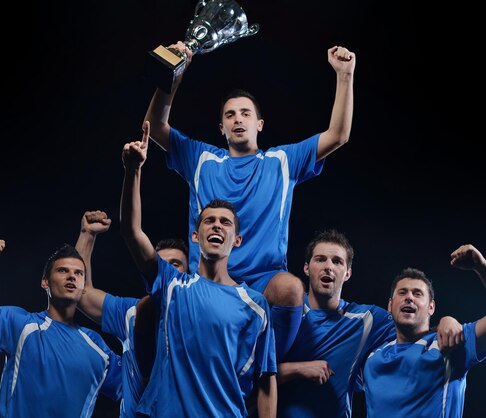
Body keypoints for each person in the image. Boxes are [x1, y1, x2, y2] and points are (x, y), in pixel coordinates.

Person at [143, 41, 355, 358]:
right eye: (230, 115)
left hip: (262, 280)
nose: (237, 118)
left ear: (259, 124)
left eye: (245, 113)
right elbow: (154, 127)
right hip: (208, 278)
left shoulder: (284, 160)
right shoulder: (200, 157)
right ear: (222, 127)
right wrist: (173, 75)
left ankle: (267, 369)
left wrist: (345, 75)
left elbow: (338, 135)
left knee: (291, 289)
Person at [120, 124, 277, 417]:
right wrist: (133, 171)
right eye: (209, 220)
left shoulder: (255, 305)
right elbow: (131, 232)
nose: (217, 225)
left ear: (237, 240)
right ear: (196, 235)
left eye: (225, 222)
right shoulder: (171, 284)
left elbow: (266, 379)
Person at [276, 229, 463, 418]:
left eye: (337, 261)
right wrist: (299, 369)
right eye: (320, 259)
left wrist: (447, 322)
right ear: (307, 268)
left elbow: (414, 326)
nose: (329, 267)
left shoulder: (367, 318)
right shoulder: (286, 310)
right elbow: (255, 372)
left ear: (347, 273)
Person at [0, 237, 122, 418]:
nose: (71, 276)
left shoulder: (99, 348)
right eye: (62, 270)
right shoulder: (20, 324)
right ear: (45, 282)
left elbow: (139, 387)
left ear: (83, 287)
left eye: (78, 273)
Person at [361, 244, 486, 417]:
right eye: (402, 292)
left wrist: (481, 267)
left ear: (431, 307)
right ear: (390, 306)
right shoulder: (372, 357)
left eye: (417, 294)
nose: (409, 297)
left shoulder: (450, 342)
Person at [74, 210, 189, 417]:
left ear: (188, 273)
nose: (167, 271)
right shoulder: (130, 313)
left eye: (175, 264)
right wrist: (87, 235)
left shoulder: (204, 316)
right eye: (160, 264)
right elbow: (81, 294)